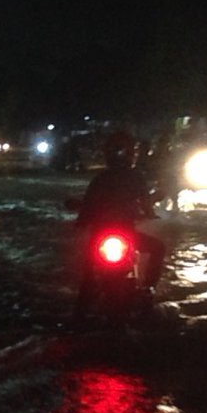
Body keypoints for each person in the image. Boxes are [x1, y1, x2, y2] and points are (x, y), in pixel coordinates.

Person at [74, 131, 167, 316]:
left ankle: (81, 309)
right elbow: (148, 207)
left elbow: (84, 213)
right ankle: (148, 290)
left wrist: (81, 218)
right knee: (158, 248)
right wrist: (150, 211)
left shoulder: (100, 179)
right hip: (122, 234)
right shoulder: (135, 178)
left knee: (88, 275)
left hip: (104, 235)